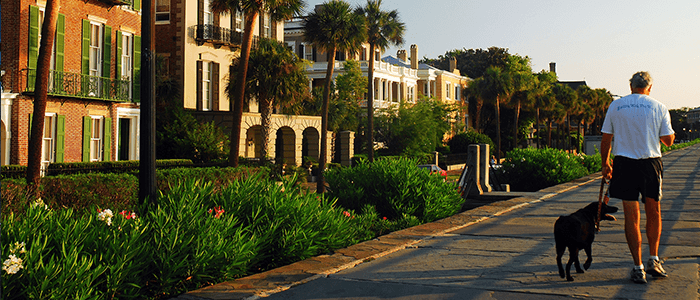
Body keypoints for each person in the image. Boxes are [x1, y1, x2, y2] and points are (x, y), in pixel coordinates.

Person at [600, 71, 675, 284]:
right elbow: (668, 141)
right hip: (650, 163)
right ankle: (653, 258)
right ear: (649, 88)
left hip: (624, 163)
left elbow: (607, 139)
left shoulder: (616, 106)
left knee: (631, 216)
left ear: (630, 86)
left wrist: (605, 164)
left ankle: (637, 267)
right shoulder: (658, 107)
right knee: (654, 212)